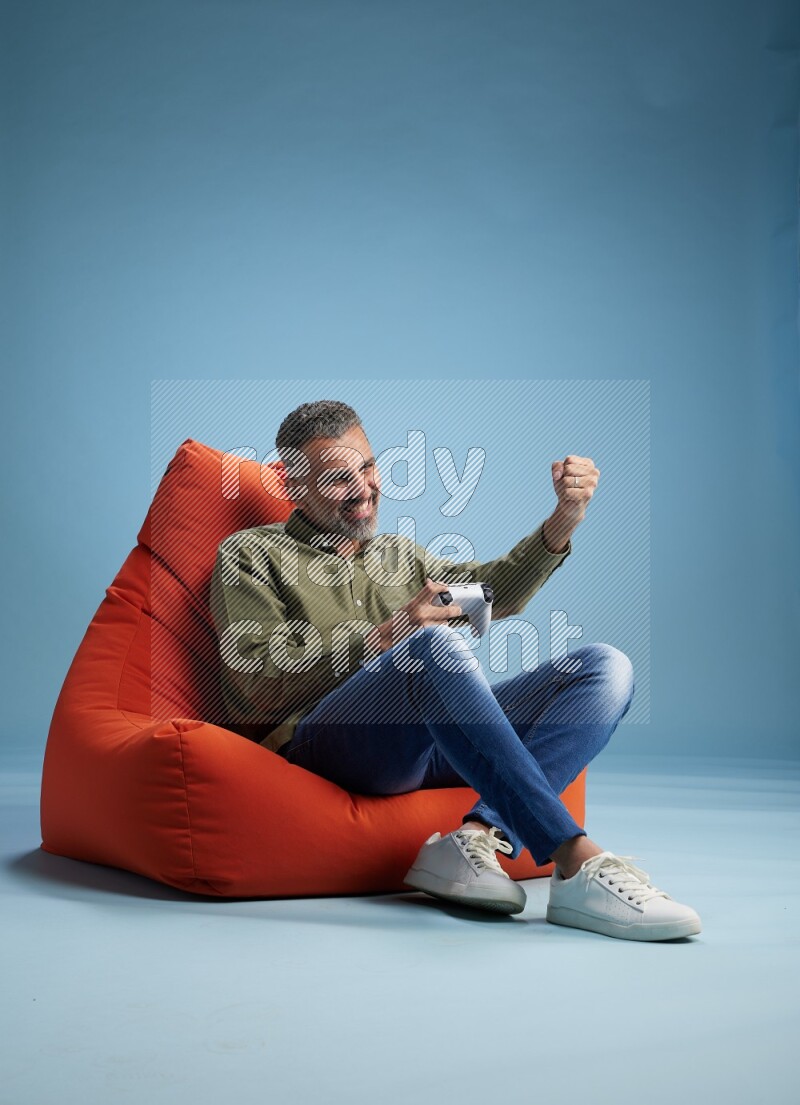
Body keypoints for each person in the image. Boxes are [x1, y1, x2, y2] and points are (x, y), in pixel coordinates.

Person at [210, 400, 702, 942]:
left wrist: (563, 521)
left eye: (369, 468)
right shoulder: (250, 554)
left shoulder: (399, 556)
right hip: (324, 749)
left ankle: (474, 836)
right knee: (432, 646)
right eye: (336, 478)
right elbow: (255, 680)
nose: (363, 488)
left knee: (604, 667)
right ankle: (574, 859)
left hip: (432, 746)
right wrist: (390, 634)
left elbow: (494, 593)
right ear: (293, 484)